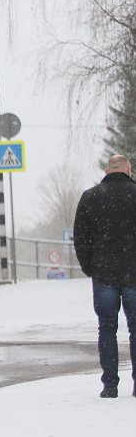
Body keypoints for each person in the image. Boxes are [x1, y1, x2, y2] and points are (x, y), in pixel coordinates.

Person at [73, 154, 136, 398]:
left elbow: (80, 237)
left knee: (107, 328)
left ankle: (110, 385)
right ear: (128, 170)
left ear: (107, 170)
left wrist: (89, 266)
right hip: (134, 272)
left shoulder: (91, 197)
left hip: (103, 273)